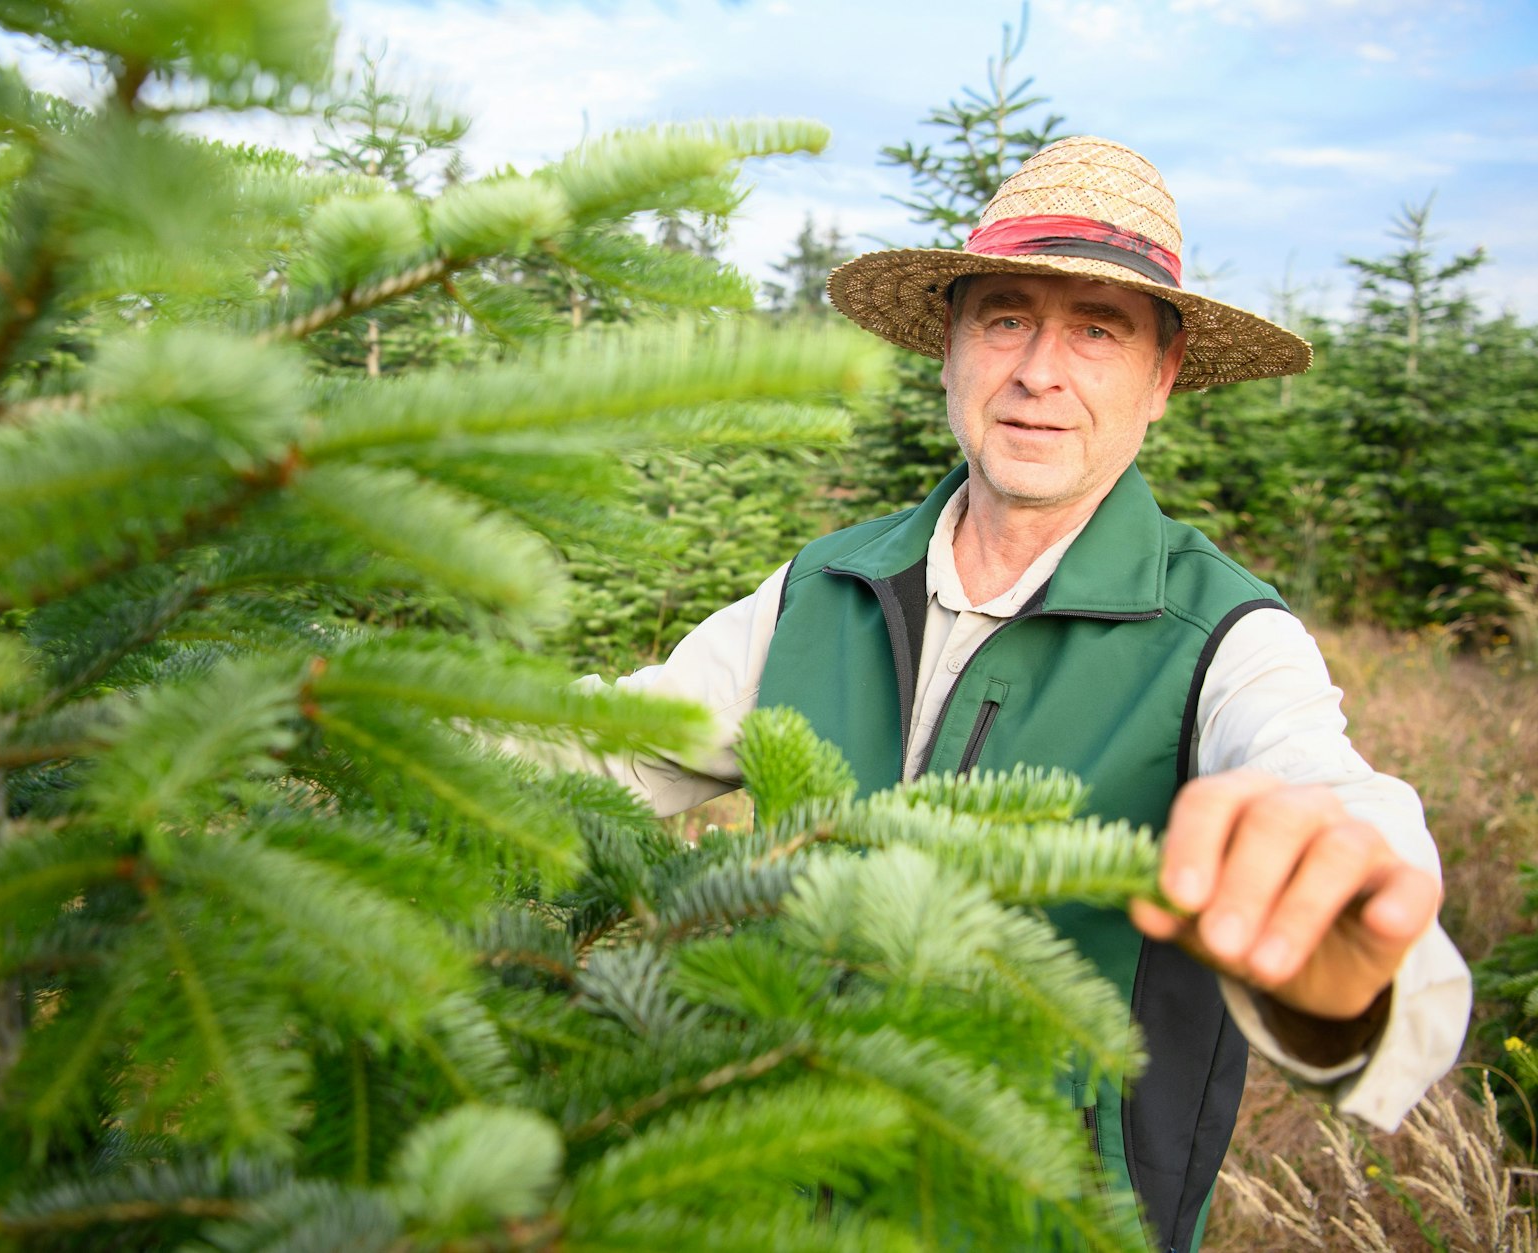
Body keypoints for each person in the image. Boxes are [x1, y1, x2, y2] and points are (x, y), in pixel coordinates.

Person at [573, 137, 1469, 1251]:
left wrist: (1346, 911)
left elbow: (1318, 783)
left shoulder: (1227, 637)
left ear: (1162, 375)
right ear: (947, 347)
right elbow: (602, 743)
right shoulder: (824, 584)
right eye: (1004, 316)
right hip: (783, 1204)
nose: (1039, 369)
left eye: (1096, 329)